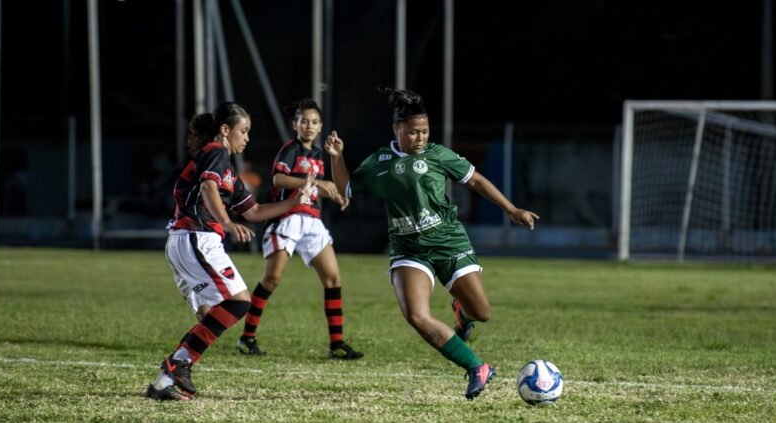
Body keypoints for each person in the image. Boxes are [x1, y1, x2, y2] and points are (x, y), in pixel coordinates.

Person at [323, 89, 538, 399]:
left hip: (448, 241)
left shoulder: (438, 155)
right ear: (396, 129)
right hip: (408, 249)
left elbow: (475, 180)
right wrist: (337, 157)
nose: (420, 137)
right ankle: (477, 367)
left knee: (482, 312)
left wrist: (512, 209)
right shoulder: (379, 162)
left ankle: (462, 314)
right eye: (413, 131)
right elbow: (346, 188)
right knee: (416, 315)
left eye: (424, 131)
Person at [145, 102, 315, 401]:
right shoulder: (216, 151)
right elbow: (209, 188)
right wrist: (227, 222)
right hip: (196, 238)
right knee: (238, 302)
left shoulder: (230, 174)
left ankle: (162, 383)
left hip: (187, 242)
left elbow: (255, 211)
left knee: (210, 314)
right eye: (243, 131)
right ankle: (177, 363)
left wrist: (296, 201)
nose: (246, 138)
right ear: (225, 130)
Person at [236, 99, 364, 360]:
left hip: (312, 221)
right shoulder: (290, 150)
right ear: (295, 124)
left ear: (321, 127)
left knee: (333, 279)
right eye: (304, 121)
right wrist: (319, 183)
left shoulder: (319, 155)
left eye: (314, 122)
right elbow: (279, 179)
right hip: (287, 217)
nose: (309, 126)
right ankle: (247, 337)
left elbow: (317, 189)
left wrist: (335, 195)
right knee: (271, 279)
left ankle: (336, 343)